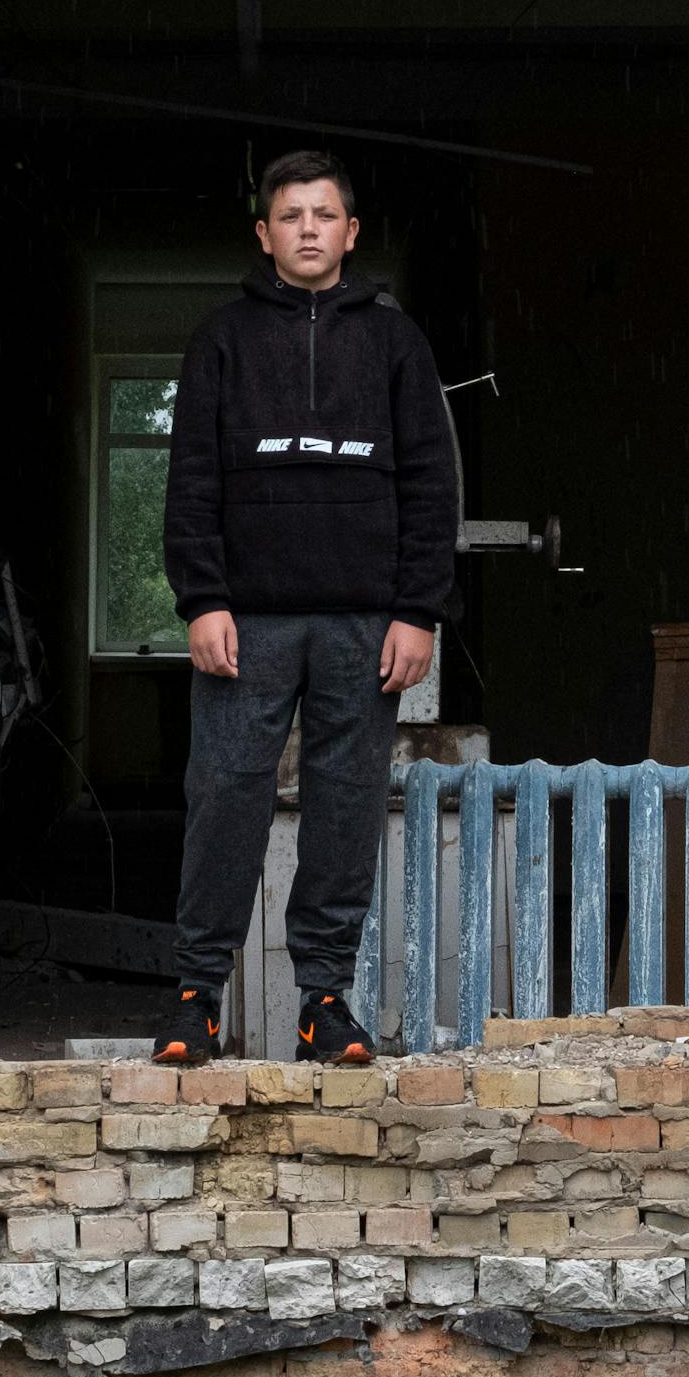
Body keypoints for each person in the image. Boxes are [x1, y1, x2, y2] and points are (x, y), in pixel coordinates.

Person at [153, 148, 459, 1067]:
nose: (309, 230)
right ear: (265, 233)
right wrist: (202, 598)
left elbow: (430, 483)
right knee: (224, 800)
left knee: (345, 807)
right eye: (291, 216)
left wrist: (419, 610)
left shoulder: (396, 342)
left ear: (351, 232)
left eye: (324, 215)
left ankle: (324, 1001)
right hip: (248, 622)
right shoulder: (222, 338)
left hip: (364, 625)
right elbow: (192, 477)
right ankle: (194, 998)